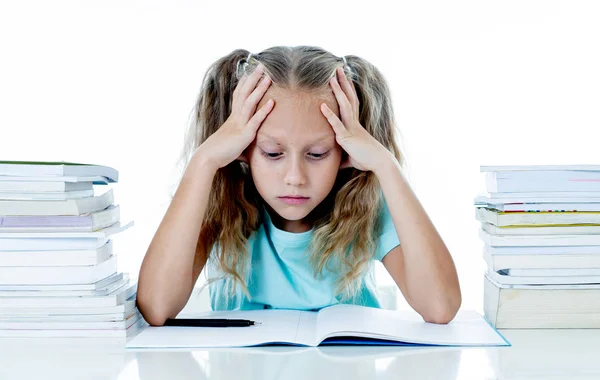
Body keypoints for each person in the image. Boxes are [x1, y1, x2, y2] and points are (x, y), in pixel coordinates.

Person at [136, 45, 461, 326]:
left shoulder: (365, 204)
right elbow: (156, 307)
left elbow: (440, 306)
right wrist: (204, 160)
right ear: (243, 149)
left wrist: (385, 165)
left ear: (345, 151)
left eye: (317, 154)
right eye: (273, 153)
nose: (295, 177)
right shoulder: (220, 203)